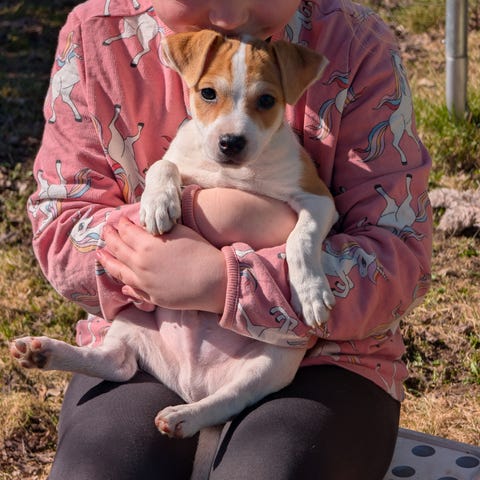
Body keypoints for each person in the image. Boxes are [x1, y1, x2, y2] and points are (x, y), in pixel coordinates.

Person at [27, 0, 432, 478]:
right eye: (209, 94)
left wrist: (224, 279)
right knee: (100, 469)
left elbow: (400, 258)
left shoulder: (355, 46)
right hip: (155, 343)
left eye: (264, 101)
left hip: (324, 360)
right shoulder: (97, 36)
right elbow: (61, 230)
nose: (228, 16)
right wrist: (193, 224)